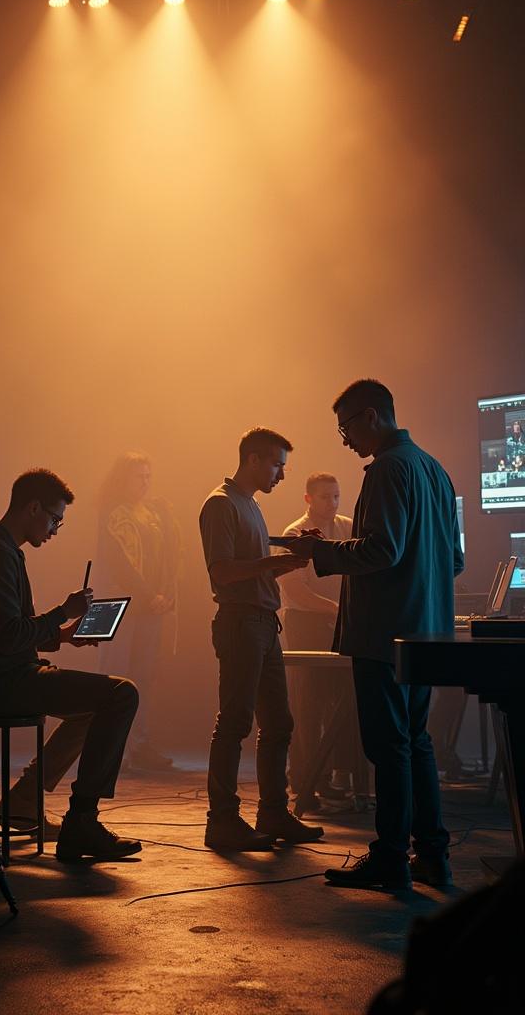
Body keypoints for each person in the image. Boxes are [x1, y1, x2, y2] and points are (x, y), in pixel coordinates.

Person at [285, 379, 463, 890]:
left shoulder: (387, 469)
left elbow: (380, 551)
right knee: (416, 742)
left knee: (389, 749)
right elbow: (454, 560)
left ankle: (389, 859)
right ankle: (432, 856)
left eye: (345, 427)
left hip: (383, 633)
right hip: (425, 635)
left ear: (371, 416)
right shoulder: (435, 469)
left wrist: (319, 554)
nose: (344, 440)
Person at [0, 468, 142, 862]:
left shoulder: (1, 550)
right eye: (55, 519)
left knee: (98, 704)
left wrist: (64, 635)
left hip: (6, 675)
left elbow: (8, 632)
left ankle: (23, 801)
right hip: (1, 683)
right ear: (33, 507)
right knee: (121, 694)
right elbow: (9, 637)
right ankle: (83, 822)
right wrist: (62, 613)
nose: (56, 529)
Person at [198, 427, 325, 851]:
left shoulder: (248, 504)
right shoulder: (220, 504)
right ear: (253, 459)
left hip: (263, 623)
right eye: (277, 465)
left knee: (278, 723)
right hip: (241, 623)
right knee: (234, 722)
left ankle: (272, 812)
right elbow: (223, 572)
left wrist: (289, 557)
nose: (282, 475)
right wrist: (281, 560)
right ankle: (222, 822)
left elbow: (249, 564)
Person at [96, 451, 181, 771]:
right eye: (138, 476)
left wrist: (163, 595)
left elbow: (165, 558)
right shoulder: (111, 513)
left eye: (148, 476)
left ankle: (138, 745)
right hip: (116, 604)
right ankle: (108, 748)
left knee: (143, 677)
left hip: (148, 607)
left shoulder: (152, 513)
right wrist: (149, 595)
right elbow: (118, 563)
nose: (145, 482)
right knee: (113, 677)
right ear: (123, 478)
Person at [279, 472, 355, 805]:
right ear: (309, 499)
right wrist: (336, 609)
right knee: (307, 704)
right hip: (306, 622)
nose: (332, 502)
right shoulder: (294, 534)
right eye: (325, 497)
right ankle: (304, 779)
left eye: (336, 496)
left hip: (339, 621)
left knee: (339, 702)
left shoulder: (348, 526)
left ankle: (332, 775)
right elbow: (295, 590)